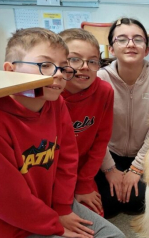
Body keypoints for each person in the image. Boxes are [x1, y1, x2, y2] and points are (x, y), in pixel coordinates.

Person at [0, 27, 125, 238]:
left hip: (57, 207)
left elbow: (67, 159)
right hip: (15, 225)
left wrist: (62, 208)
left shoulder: (56, 104)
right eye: (45, 65)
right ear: (10, 70)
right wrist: (55, 224)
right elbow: (7, 199)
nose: (58, 74)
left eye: (62, 66)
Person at [95, 17, 149, 218]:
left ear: (146, 49)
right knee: (106, 205)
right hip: (109, 154)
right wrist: (110, 168)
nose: (130, 44)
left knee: (139, 202)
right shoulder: (101, 78)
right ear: (111, 48)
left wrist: (136, 169)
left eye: (138, 39)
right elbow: (95, 131)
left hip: (145, 153)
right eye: (122, 39)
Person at [59, 28, 114, 217]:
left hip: (83, 172)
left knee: (94, 220)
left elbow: (101, 140)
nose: (84, 67)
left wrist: (84, 182)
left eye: (92, 61)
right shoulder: (50, 93)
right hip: (51, 174)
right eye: (74, 59)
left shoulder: (104, 92)